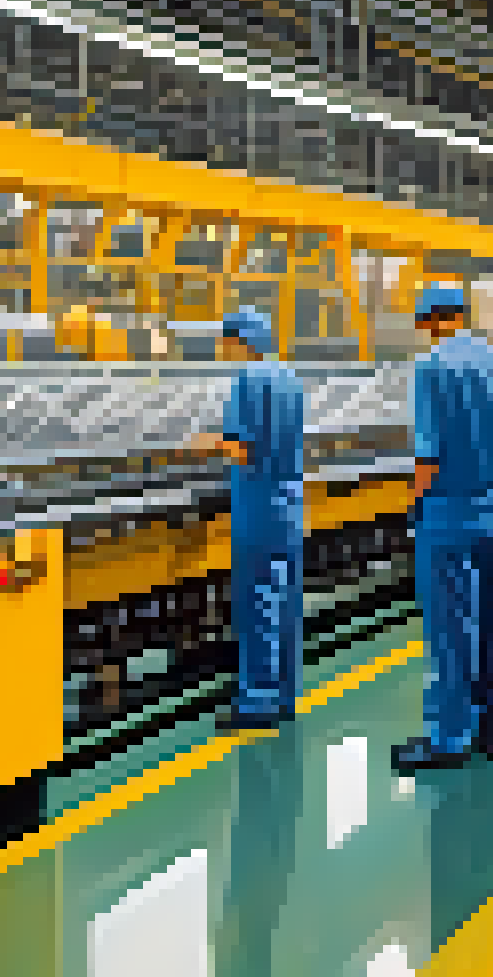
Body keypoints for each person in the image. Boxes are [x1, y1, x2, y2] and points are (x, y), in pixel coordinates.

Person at [395, 284, 493, 773]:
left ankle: (449, 737)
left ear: (428, 320)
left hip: (449, 516)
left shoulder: (431, 368)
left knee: (452, 630)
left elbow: (428, 456)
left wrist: (415, 503)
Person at [191, 308, 308, 732]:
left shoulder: (247, 380)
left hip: (259, 504)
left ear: (241, 341)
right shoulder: (291, 380)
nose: (223, 350)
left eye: (225, 342)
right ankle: (285, 694)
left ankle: (258, 700)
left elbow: (244, 450)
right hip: (290, 504)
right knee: (287, 603)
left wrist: (207, 445)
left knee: (259, 602)